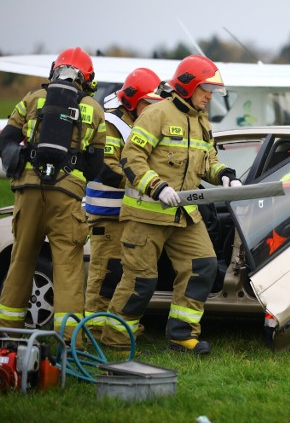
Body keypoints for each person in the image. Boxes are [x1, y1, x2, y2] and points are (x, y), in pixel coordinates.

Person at [100, 55, 242, 354]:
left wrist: (226, 175)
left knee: (202, 266)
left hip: (184, 215)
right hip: (146, 216)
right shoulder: (157, 114)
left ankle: (182, 335)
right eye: (206, 89)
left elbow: (208, 162)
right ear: (189, 86)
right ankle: (116, 342)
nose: (210, 96)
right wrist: (157, 186)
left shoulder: (201, 121)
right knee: (140, 281)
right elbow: (130, 158)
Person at [0, 48, 106, 346]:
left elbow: (6, 139)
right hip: (67, 197)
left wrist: (22, 164)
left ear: (54, 70)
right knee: (68, 267)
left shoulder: (32, 99)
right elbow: (97, 165)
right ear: (88, 79)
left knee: (21, 260)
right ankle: (70, 345)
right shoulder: (94, 110)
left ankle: (9, 337)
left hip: (29, 191)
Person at [84, 68, 162, 336]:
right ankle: (95, 332)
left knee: (121, 272)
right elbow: (107, 169)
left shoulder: (133, 124)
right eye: (147, 103)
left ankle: (113, 328)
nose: (150, 109)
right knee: (105, 275)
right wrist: (144, 185)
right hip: (107, 214)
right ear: (132, 100)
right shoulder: (111, 125)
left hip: (124, 213)